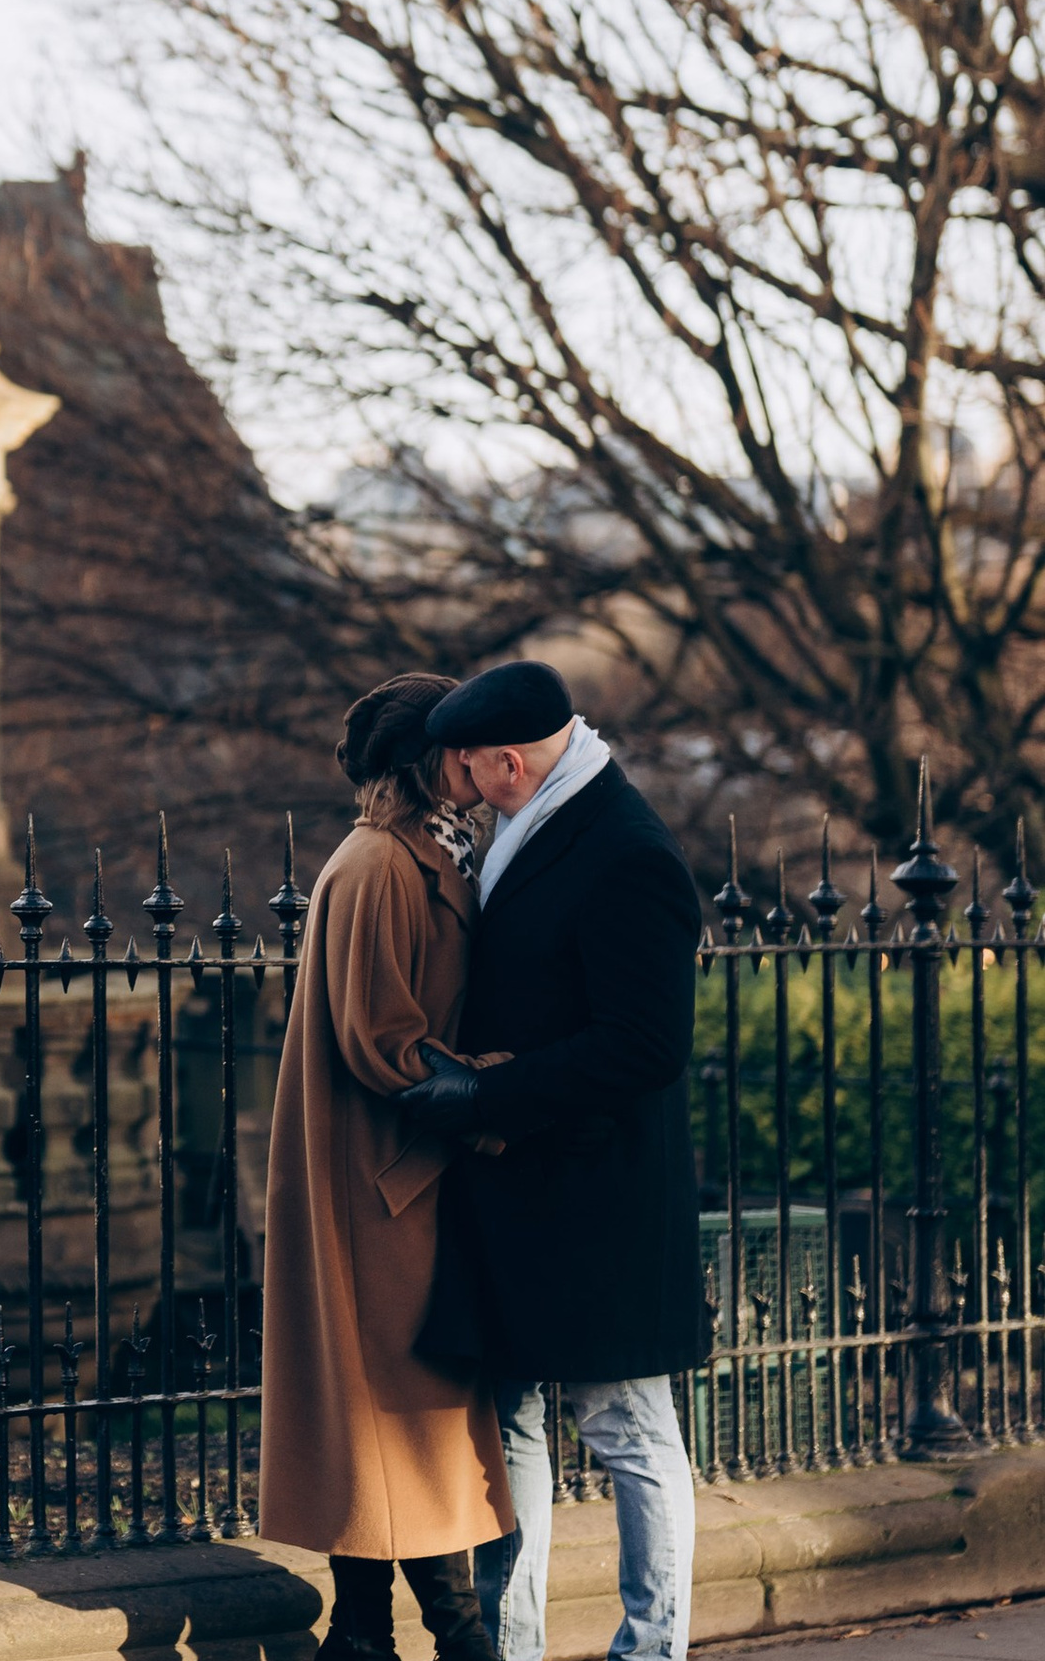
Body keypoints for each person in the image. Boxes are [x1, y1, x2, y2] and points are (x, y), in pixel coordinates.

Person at [400, 661, 709, 1661]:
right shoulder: (538, 821)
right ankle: (512, 1647)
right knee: (516, 1430)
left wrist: (487, 1094)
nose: (458, 784)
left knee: (629, 1432)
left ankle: (650, 1648)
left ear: (507, 758)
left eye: (466, 766)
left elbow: (644, 1045)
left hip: (599, 1196)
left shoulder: (626, 850)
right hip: (528, 1189)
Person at [261, 672, 512, 1661]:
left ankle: (365, 1635)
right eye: (460, 744)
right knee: (399, 1423)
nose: (477, 759)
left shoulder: (430, 857)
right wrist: (504, 1088)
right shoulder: (377, 865)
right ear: (428, 760)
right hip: (377, 1186)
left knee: (395, 1424)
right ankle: (452, 1636)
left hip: (398, 1181)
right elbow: (382, 1042)